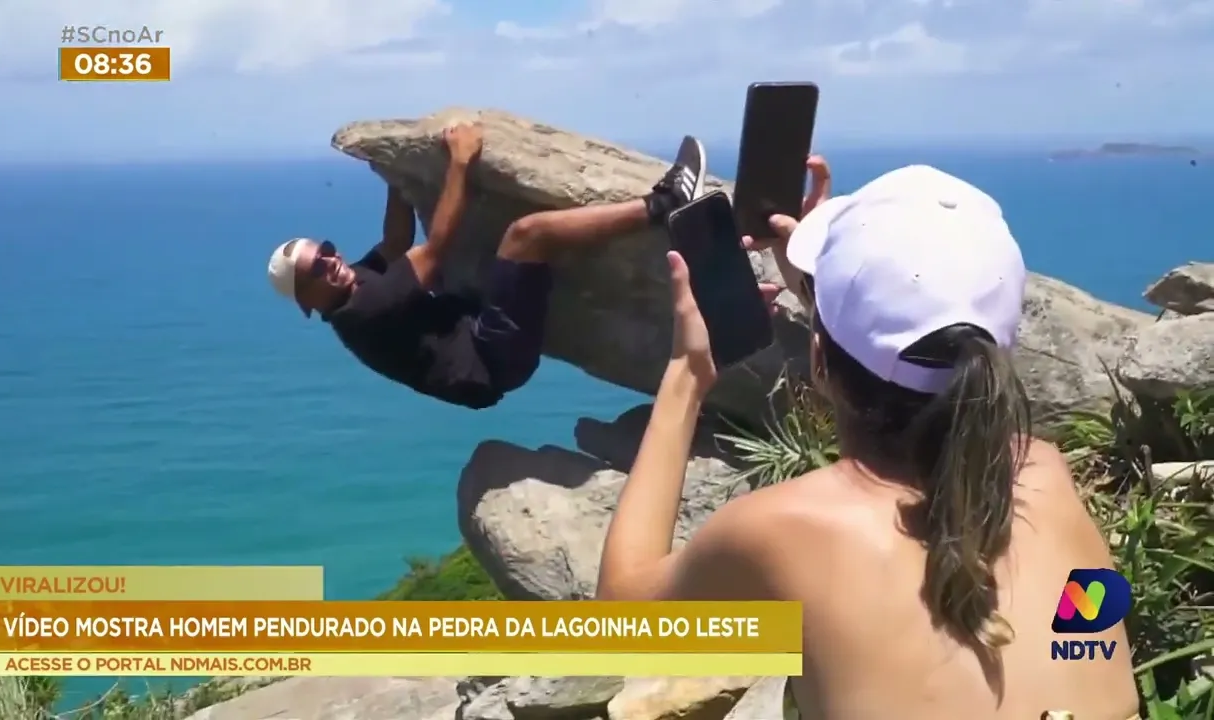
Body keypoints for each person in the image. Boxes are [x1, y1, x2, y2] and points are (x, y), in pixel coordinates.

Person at [594, 161, 1140, 719]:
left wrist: (688, 373)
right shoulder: (1044, 474)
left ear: (821, 358)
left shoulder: (785, 530)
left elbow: (617, 623)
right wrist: (830, 304)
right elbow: (919, 363)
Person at [266, 123, 708, 409]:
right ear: (308, 302)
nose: (331, 262)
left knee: (469, 264)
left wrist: (396, 177)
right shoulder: (364, 311)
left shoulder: (350, 286)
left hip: (474, 331)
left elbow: (395, 242)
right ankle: (667, 203)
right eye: (316, 270)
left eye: (325, 250)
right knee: (526, 235)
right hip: (491, 358)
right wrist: (460, 162)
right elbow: (436, 246)